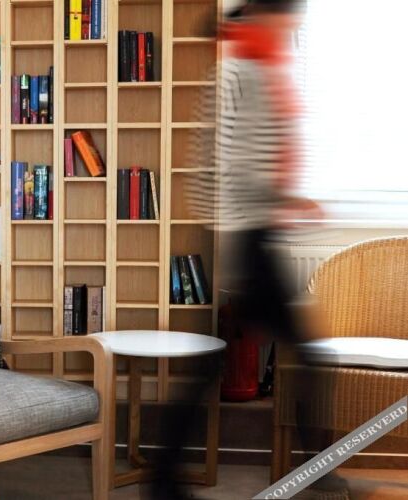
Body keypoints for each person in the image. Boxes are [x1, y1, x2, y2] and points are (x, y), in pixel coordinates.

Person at [176, 0, 350, 498]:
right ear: (270, 16)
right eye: (289, 20)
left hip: (256, 231)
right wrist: (287, 198)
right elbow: (231, 161)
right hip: (251, 233)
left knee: (221, 363)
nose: (292, 29)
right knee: (308, 356)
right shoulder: (240, 70)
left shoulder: (249, 63)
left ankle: (165, 475)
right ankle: (319, 470)